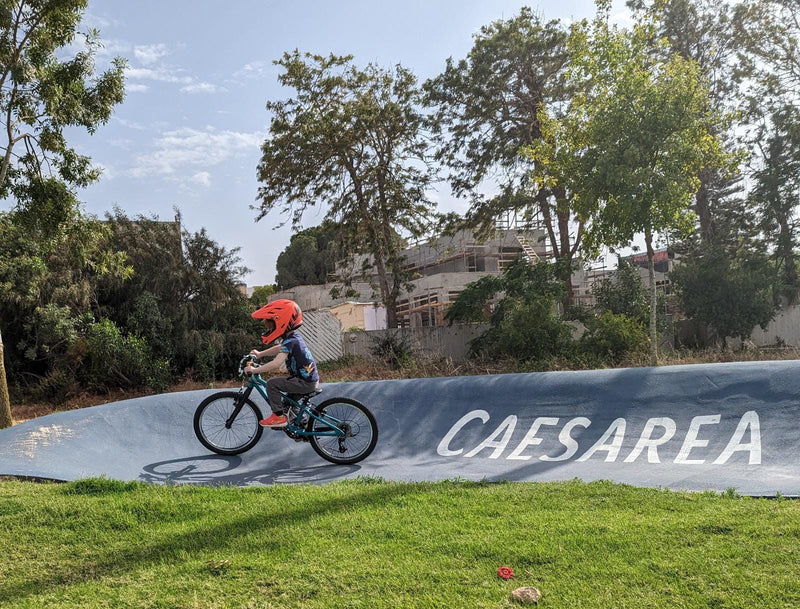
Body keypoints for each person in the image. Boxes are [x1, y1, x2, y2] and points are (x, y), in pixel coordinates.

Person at [244, 299, 320, 428]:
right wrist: (260, 354)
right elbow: (279, 348)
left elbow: (276, 363)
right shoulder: (292, 338)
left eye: (271, 325)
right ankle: (303, 428)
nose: (269, 328)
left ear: (282, 322)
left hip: (304, 382)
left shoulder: (290, 341)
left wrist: (254, 370)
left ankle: (278, 417)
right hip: (306, 380)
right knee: (288, 405)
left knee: (272, 384)